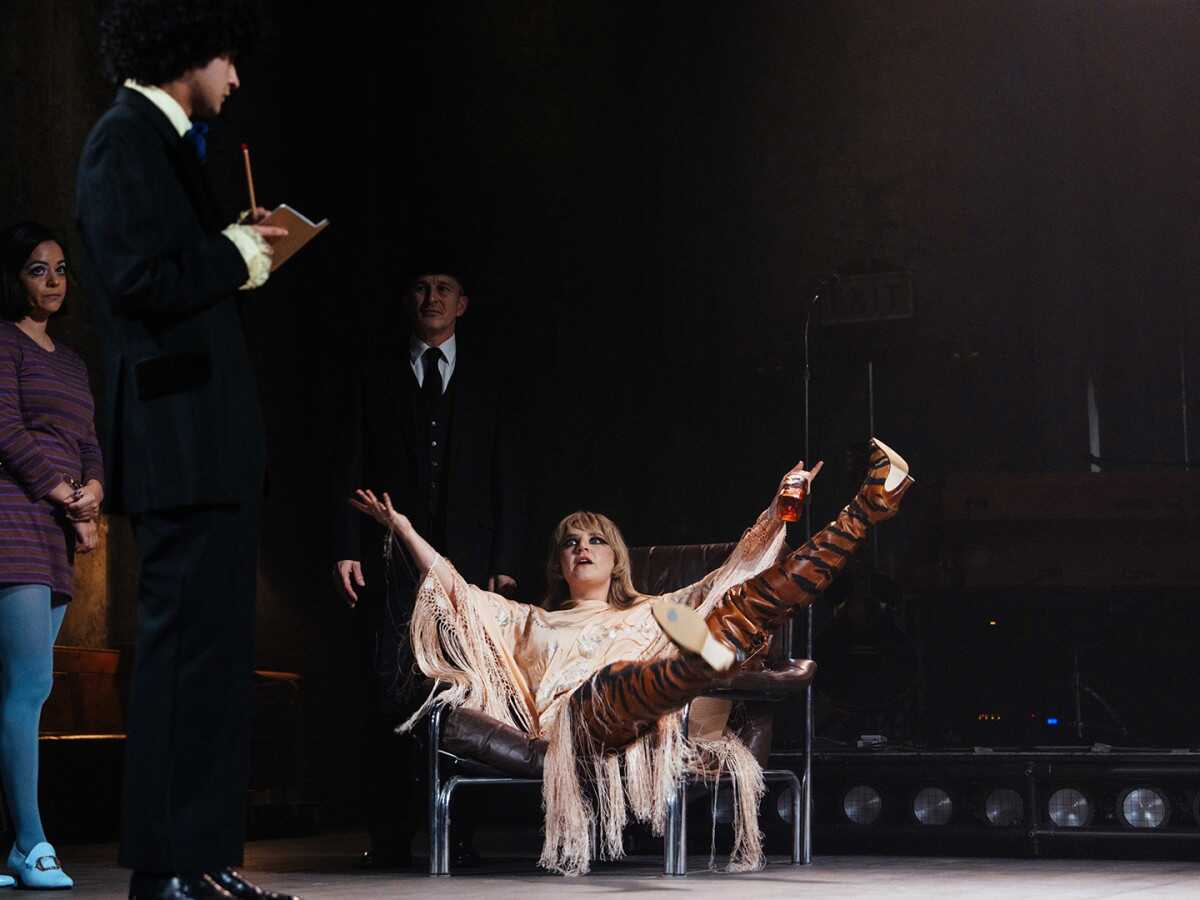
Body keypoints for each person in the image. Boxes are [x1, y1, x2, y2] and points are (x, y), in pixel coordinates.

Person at [352, 438, 913, 875]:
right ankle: (689, 668)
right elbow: (454, 590)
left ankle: (866, 507)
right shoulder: (526, 619)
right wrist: (403, 528)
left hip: (654, 716)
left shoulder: (655, 610)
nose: (582, 548)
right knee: (618, 684)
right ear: (558, 562)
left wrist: (780, 509)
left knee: (736, 610)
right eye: (571, 542)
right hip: (580, 723)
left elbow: (734, 573)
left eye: (595, 540)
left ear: (616, 558)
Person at [74, 3, 294, 898]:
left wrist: (231, 250)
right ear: (187, 50)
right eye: (226, 57)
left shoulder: (162, 143)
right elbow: (136, 279)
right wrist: (233, 255)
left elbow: (173, 271)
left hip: (208, 448)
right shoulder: (123, 138)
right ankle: (165, 870)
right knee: (179, 666)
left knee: (214, 669)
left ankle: (202, 861)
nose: (234, 77)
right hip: (177, 446)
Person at [333, 258, 524, 866]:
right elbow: (349, 460)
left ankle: (459, 834)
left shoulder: (490, 380)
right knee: (389, 690)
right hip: (389, 561)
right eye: (421, 288)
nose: (431, 298)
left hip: (467, 566)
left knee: (467, 692)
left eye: (444, 289)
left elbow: (508, 476)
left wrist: (504, 560)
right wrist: (346, 544)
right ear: (407, 299)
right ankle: (389, 837)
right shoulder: (374, 373)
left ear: (462, 304)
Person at [0, 223, 105, 890]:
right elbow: (6, 430)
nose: (53, 281)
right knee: (29, 684)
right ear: (15, 278)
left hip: (56, 530)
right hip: (13, 516)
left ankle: (16, 844)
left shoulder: (71, 362)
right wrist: (65, 493)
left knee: (21, 689)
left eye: (61, 269)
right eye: (38, 270)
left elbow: (88, 440)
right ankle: (33, 842)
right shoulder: (4, 342)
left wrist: (93, 491)